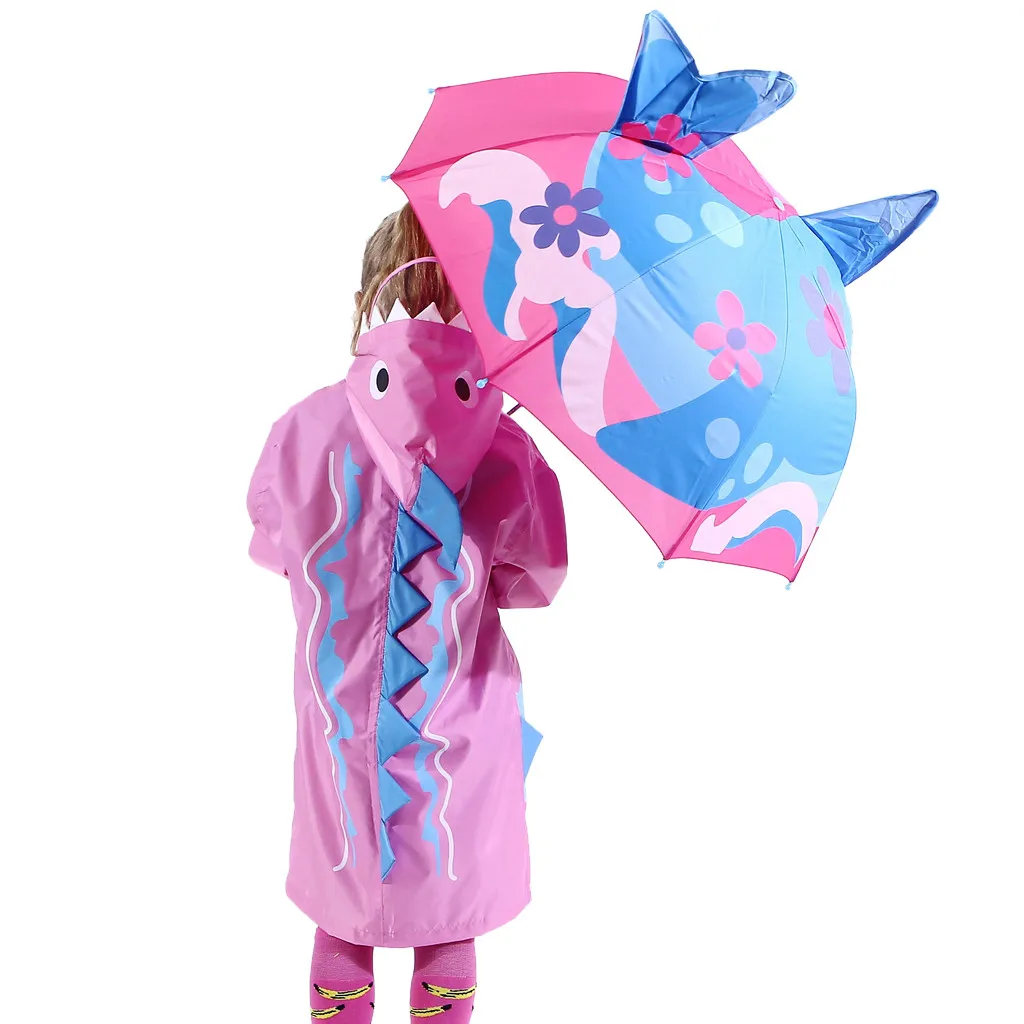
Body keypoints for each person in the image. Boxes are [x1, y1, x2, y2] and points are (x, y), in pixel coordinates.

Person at [247, 203, 567, 1023]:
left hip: (339, 725)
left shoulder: (301, 431)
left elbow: (274, 546)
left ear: (366, 302)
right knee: (448, 916)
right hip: (459, 725)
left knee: (343, 912)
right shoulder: (507, 448)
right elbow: (535, 581)